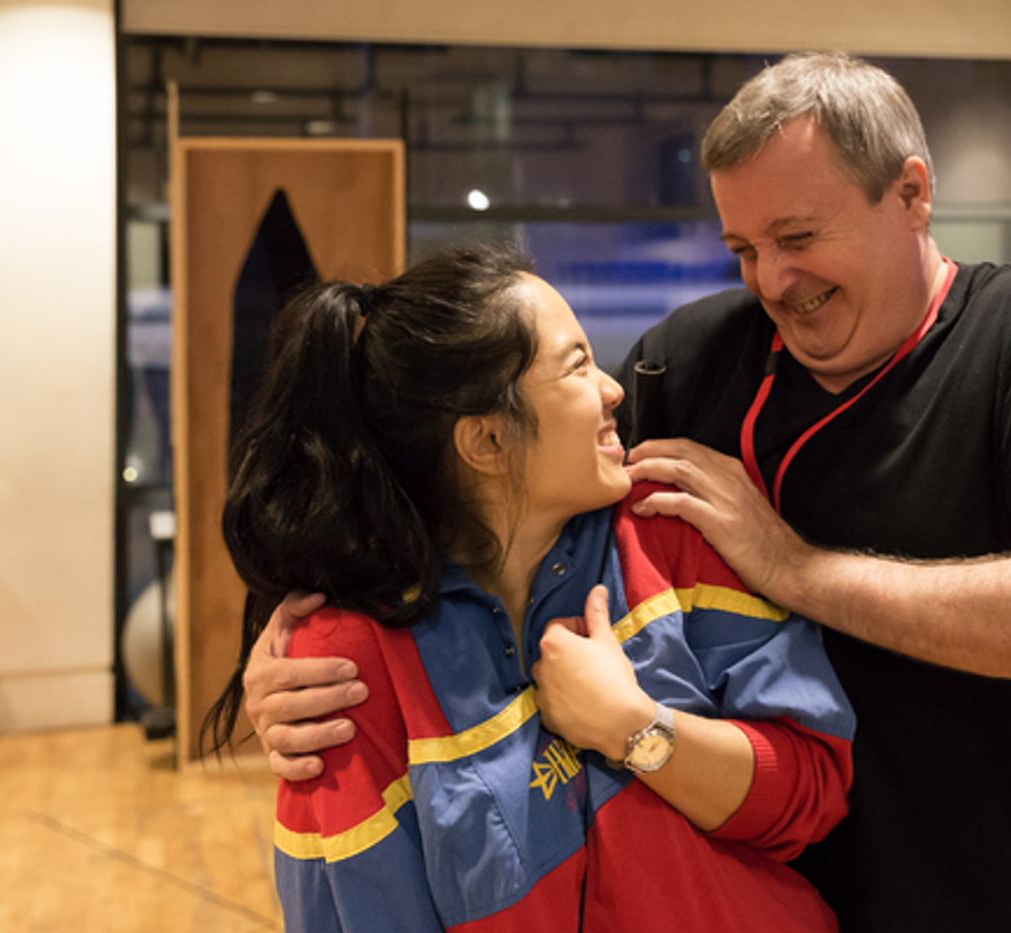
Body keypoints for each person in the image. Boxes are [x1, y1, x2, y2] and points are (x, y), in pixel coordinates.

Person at [241, 53, 1011, 931]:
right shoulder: (695, 359)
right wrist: (298, 640)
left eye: (797, 236)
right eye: (743, 248)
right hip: (766, 890)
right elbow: (498, 476)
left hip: (991, 896)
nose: (773, 282)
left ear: (912, 193)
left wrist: (792, 566)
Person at [206, 244, 855, 932]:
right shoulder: (347, 668)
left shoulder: (668, 527)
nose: (613, 389)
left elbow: (810, 790)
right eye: (577, 364)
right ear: (486, 441)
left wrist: (635, 728)